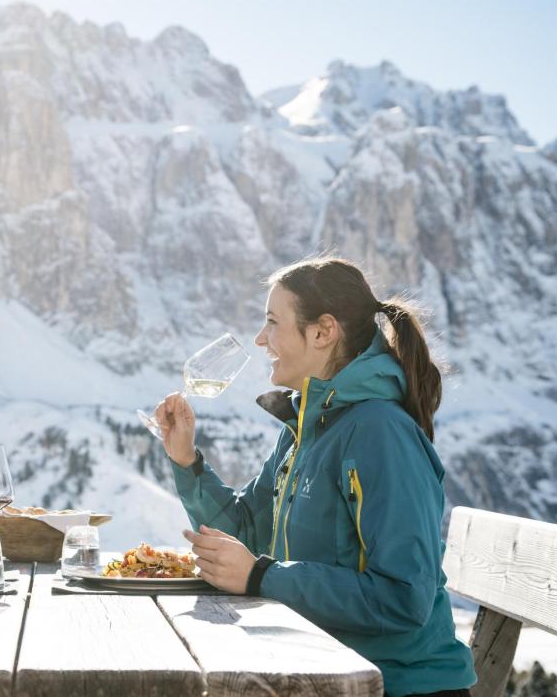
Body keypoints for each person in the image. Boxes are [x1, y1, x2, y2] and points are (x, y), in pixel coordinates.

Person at [155, 257, 476, 697]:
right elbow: (247, 532)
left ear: (323, 332)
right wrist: (187, 460)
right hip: (325, 672)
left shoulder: (379, 433)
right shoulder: (307, 429)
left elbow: (405, 598)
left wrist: (263, 577)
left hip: (395, 685)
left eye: (272, 322)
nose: (259, 338)